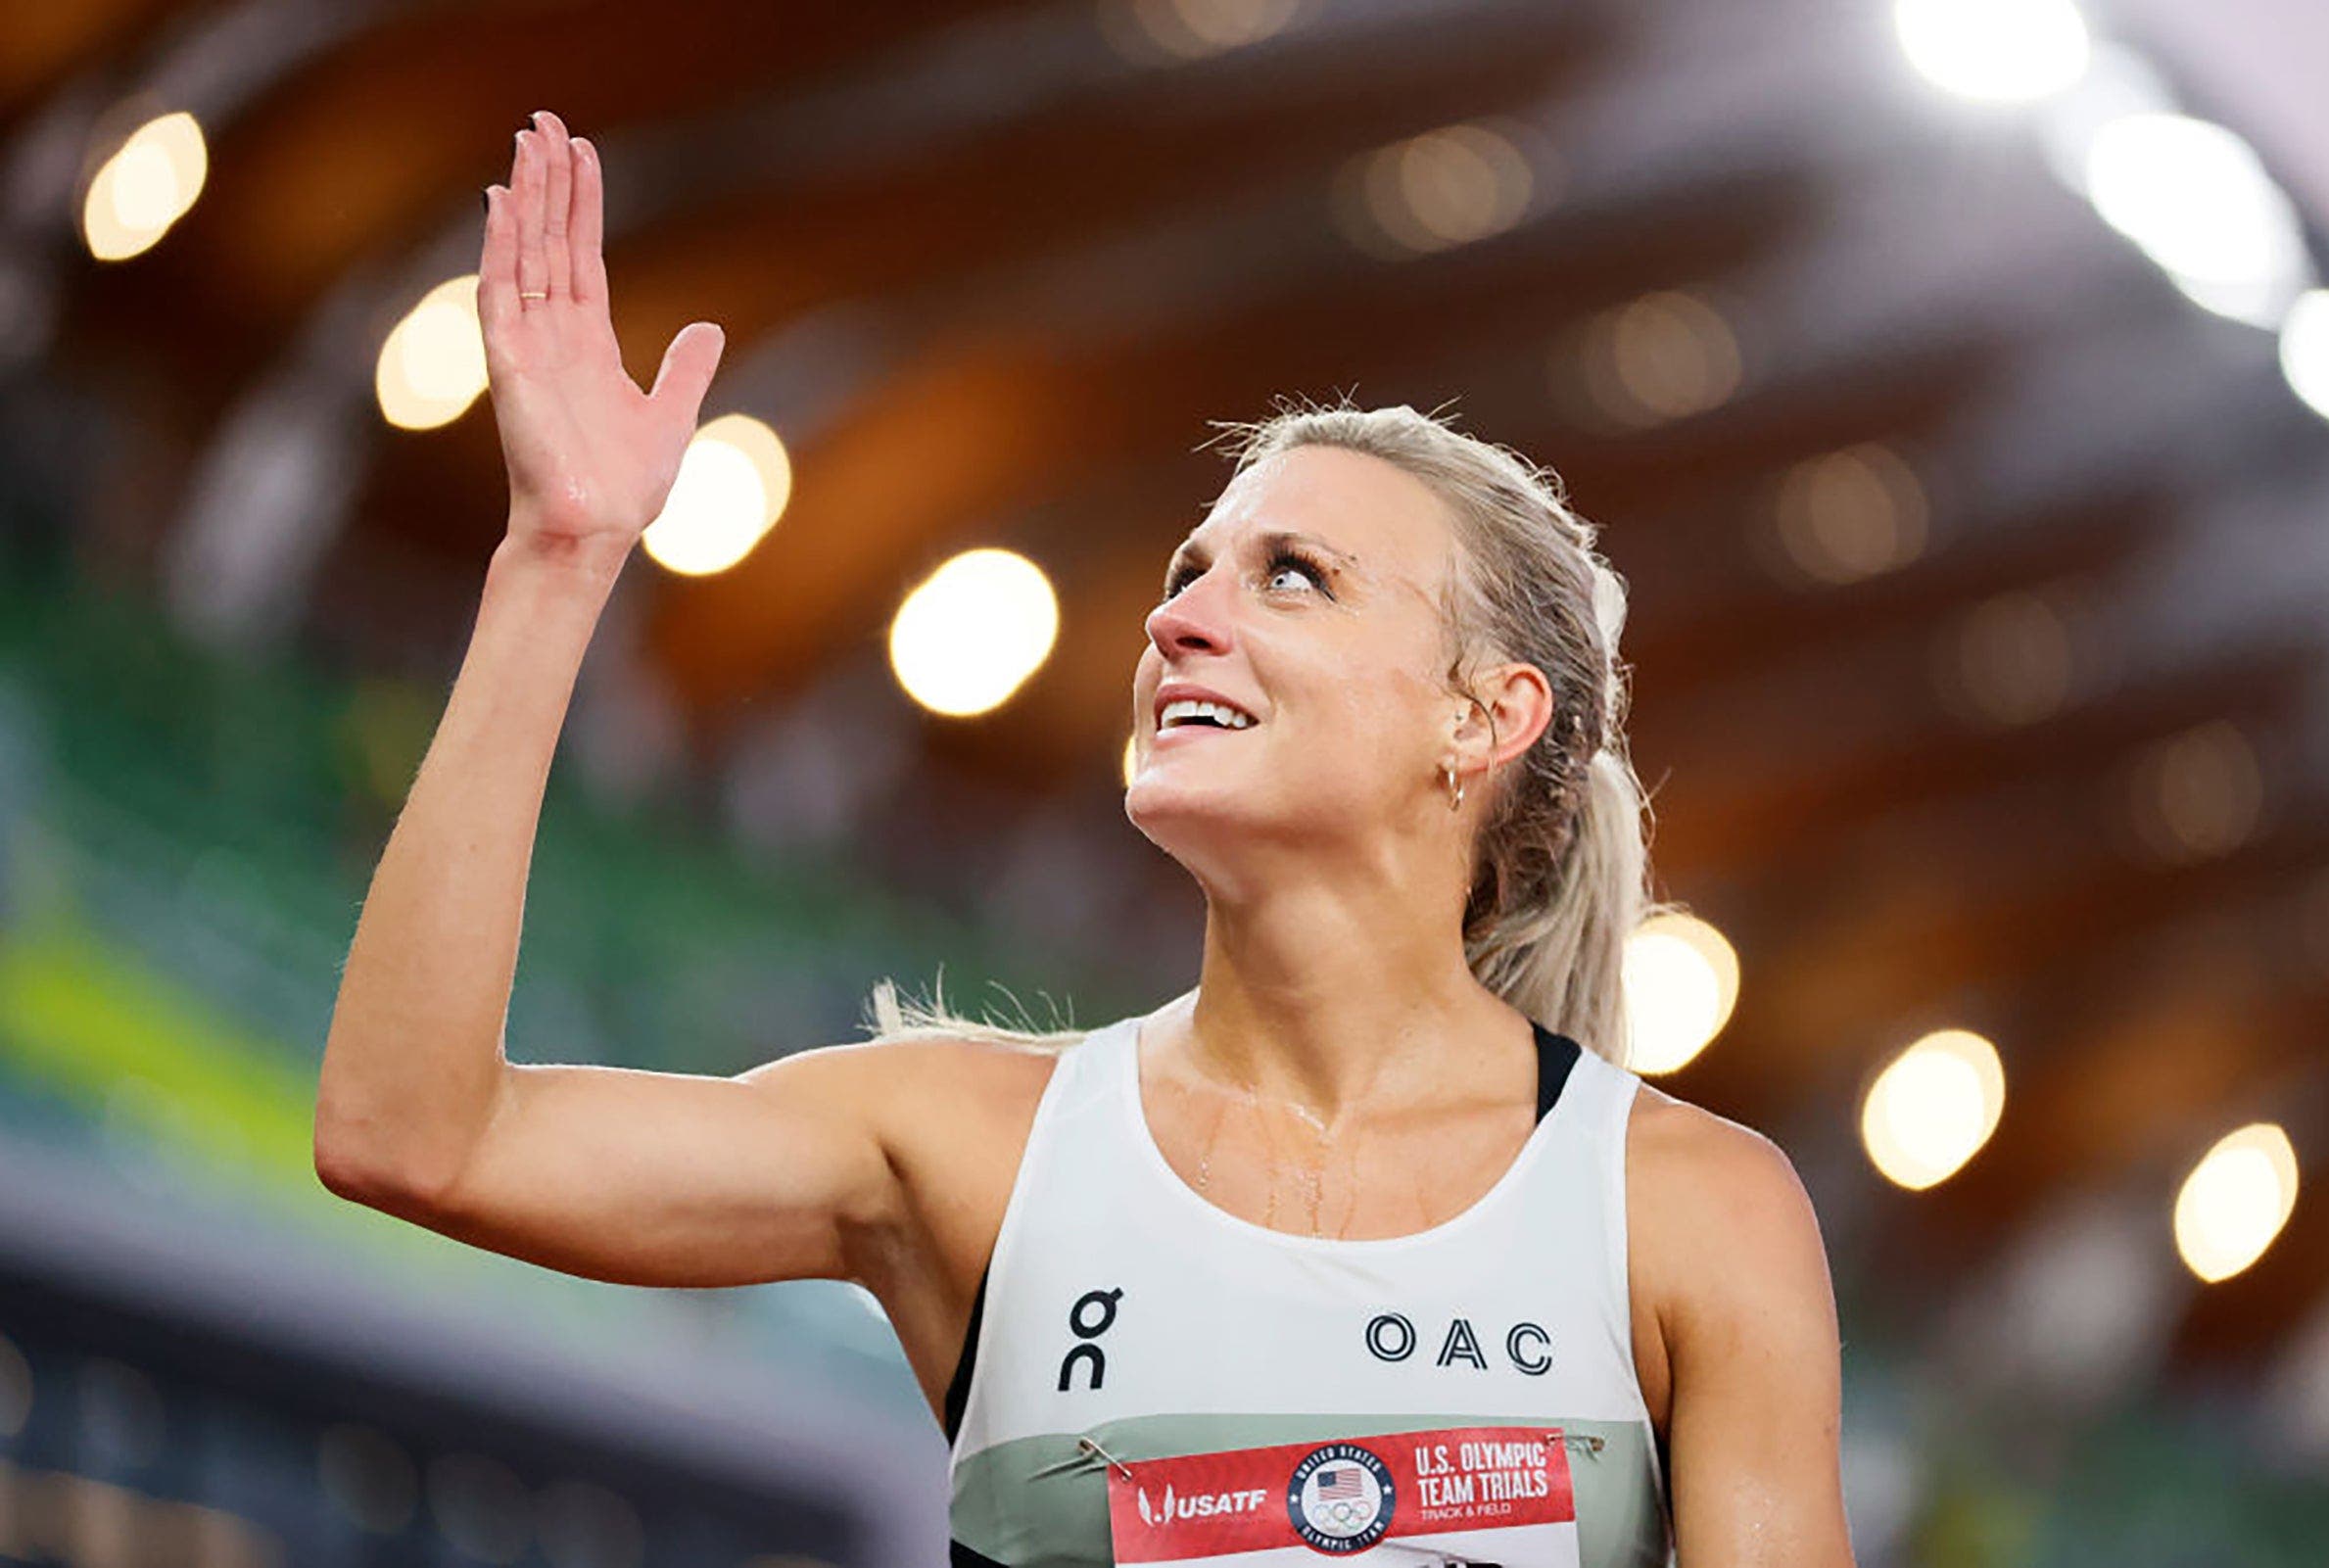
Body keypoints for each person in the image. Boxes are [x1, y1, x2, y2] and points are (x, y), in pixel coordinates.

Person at [313, 109, 1855, 1567]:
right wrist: (557, 556)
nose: (1177, 619)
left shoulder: (1688, 1209)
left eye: (1292, 576)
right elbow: (413, 1136)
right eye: (1190, 569)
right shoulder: (969, 1145)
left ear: (1483, 716)